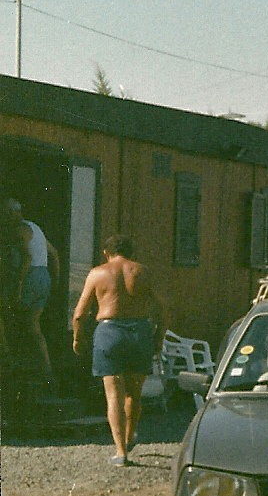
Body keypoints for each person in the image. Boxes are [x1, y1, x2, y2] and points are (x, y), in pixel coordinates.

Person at [72, 235, 166, 466]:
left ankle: (121, 452)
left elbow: (79, 313)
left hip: (109, 330)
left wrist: (77, 338)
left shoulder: (97, 273)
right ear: (132, 252)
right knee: (134, 392)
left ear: (106, 253)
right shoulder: (143, 272)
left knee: (113, 394)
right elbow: (163, 311)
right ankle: (131, 434)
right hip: (139, 330)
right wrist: (157, 338)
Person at [2, 199, 60, 394]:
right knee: (33, 325)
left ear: (11, 213)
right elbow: (54, 253)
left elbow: (26, 258)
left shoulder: (18, 230)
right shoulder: (36, 228)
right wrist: (55, 279)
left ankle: (8, 360)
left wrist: (18, 286)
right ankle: (46, 369)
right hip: (43, 276)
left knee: (5, 314)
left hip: (29, 276)